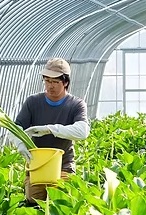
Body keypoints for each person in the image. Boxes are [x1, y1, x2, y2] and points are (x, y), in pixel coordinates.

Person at [14, 57, 90, 204]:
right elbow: (16, 127)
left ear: (65, 82)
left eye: (55, 82)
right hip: (37, 167)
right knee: (33, 201)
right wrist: (19, 144)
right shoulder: (33, 102)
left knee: (60, 202)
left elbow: (82, 131)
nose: (50, 86)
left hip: (64, 166)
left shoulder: (76, 104)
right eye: (47, 81)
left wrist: (50, 129)